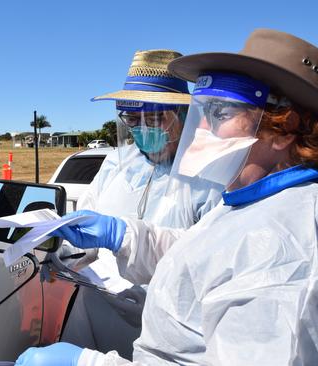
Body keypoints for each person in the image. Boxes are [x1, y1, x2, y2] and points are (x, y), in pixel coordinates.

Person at [17, 28, 318, 365]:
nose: (203, 131)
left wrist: (91, 364)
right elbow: (203, 257)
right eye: (204, 114)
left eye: (220, 115)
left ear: (284, 129)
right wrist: (124, 236)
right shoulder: (255, 201)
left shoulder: (284, 244)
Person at [58, 50, 222, 358]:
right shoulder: (117, 165)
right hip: (98, 309)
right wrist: (60, 250)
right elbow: (86, 231)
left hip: (170, 330)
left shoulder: (210, 177)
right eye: (132, 119)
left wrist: (124, 237)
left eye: (155, 119)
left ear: (184, 115)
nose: (142, 129)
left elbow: (209, 263)